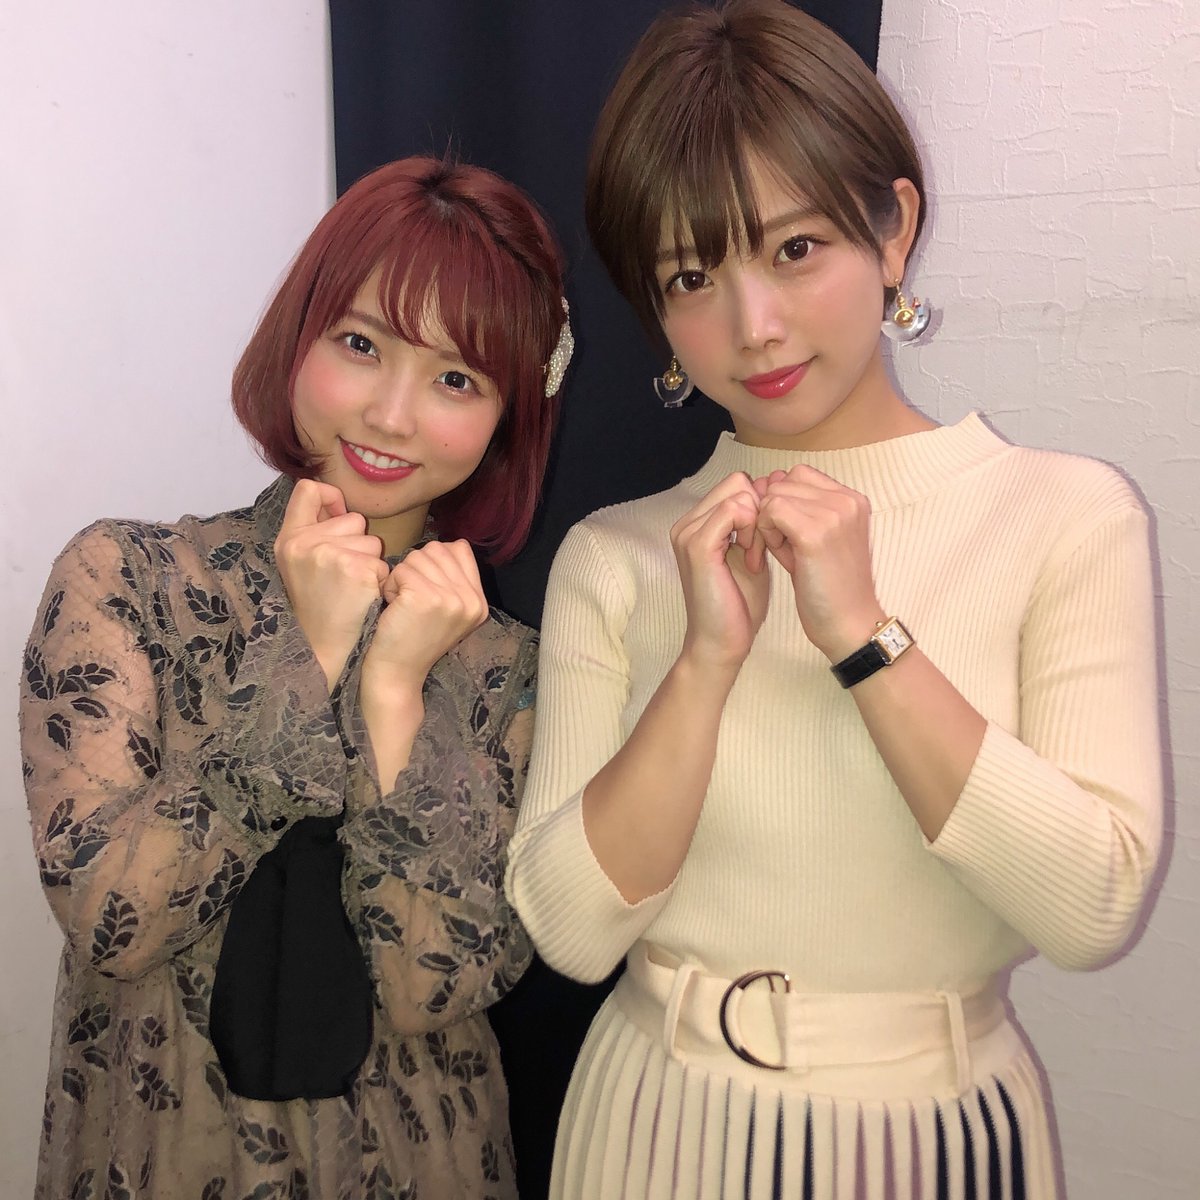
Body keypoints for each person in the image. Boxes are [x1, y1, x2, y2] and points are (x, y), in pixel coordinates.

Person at [504, 3, 1162, 1197]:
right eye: (692, 276)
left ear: (892, 230)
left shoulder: (1064, 515)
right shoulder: (618, 555)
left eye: (796, 249)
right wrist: (704, 665)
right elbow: (570, 931)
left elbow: (1093, 904)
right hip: (651, 1126)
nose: (753, 326)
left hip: (934, 1138)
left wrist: (865, 638)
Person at [20, 155, 570, 1200]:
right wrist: (306, 657)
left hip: (423, 1164)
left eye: (456, 379)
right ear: (299, 337)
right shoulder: (129, 580)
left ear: (508, 414)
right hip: (164, 1155)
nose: (393, 415)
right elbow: (111, 917)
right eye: (362, 345)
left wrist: (395, 692)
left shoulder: (506, 665)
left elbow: (437, 983)